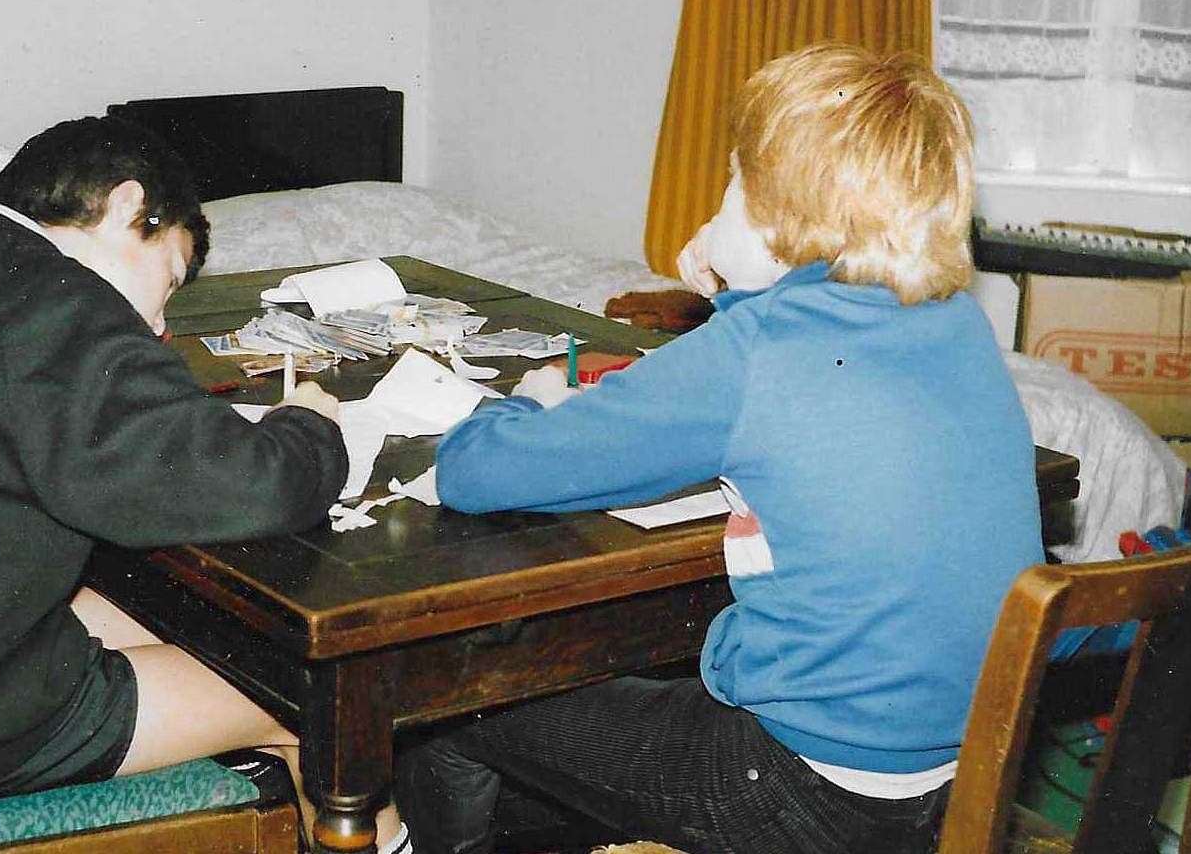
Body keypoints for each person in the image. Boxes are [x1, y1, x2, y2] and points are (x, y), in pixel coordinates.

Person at [396, 44, 1044, 854]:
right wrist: (740, 291)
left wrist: (523, 404)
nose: (719, 204)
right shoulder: (956, 324)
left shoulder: (755, 349)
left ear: (778, 212)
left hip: (798, 796)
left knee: (443, 701)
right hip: (955, 785)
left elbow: (474, 472)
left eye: (735, 182)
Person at [0, 115, 410, 852]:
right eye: (170, 278)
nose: (158, 323)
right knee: (325, 713)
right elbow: (256, 486)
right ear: (129, 207)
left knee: (200, 625)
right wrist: (310, 425)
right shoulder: (61, 307)